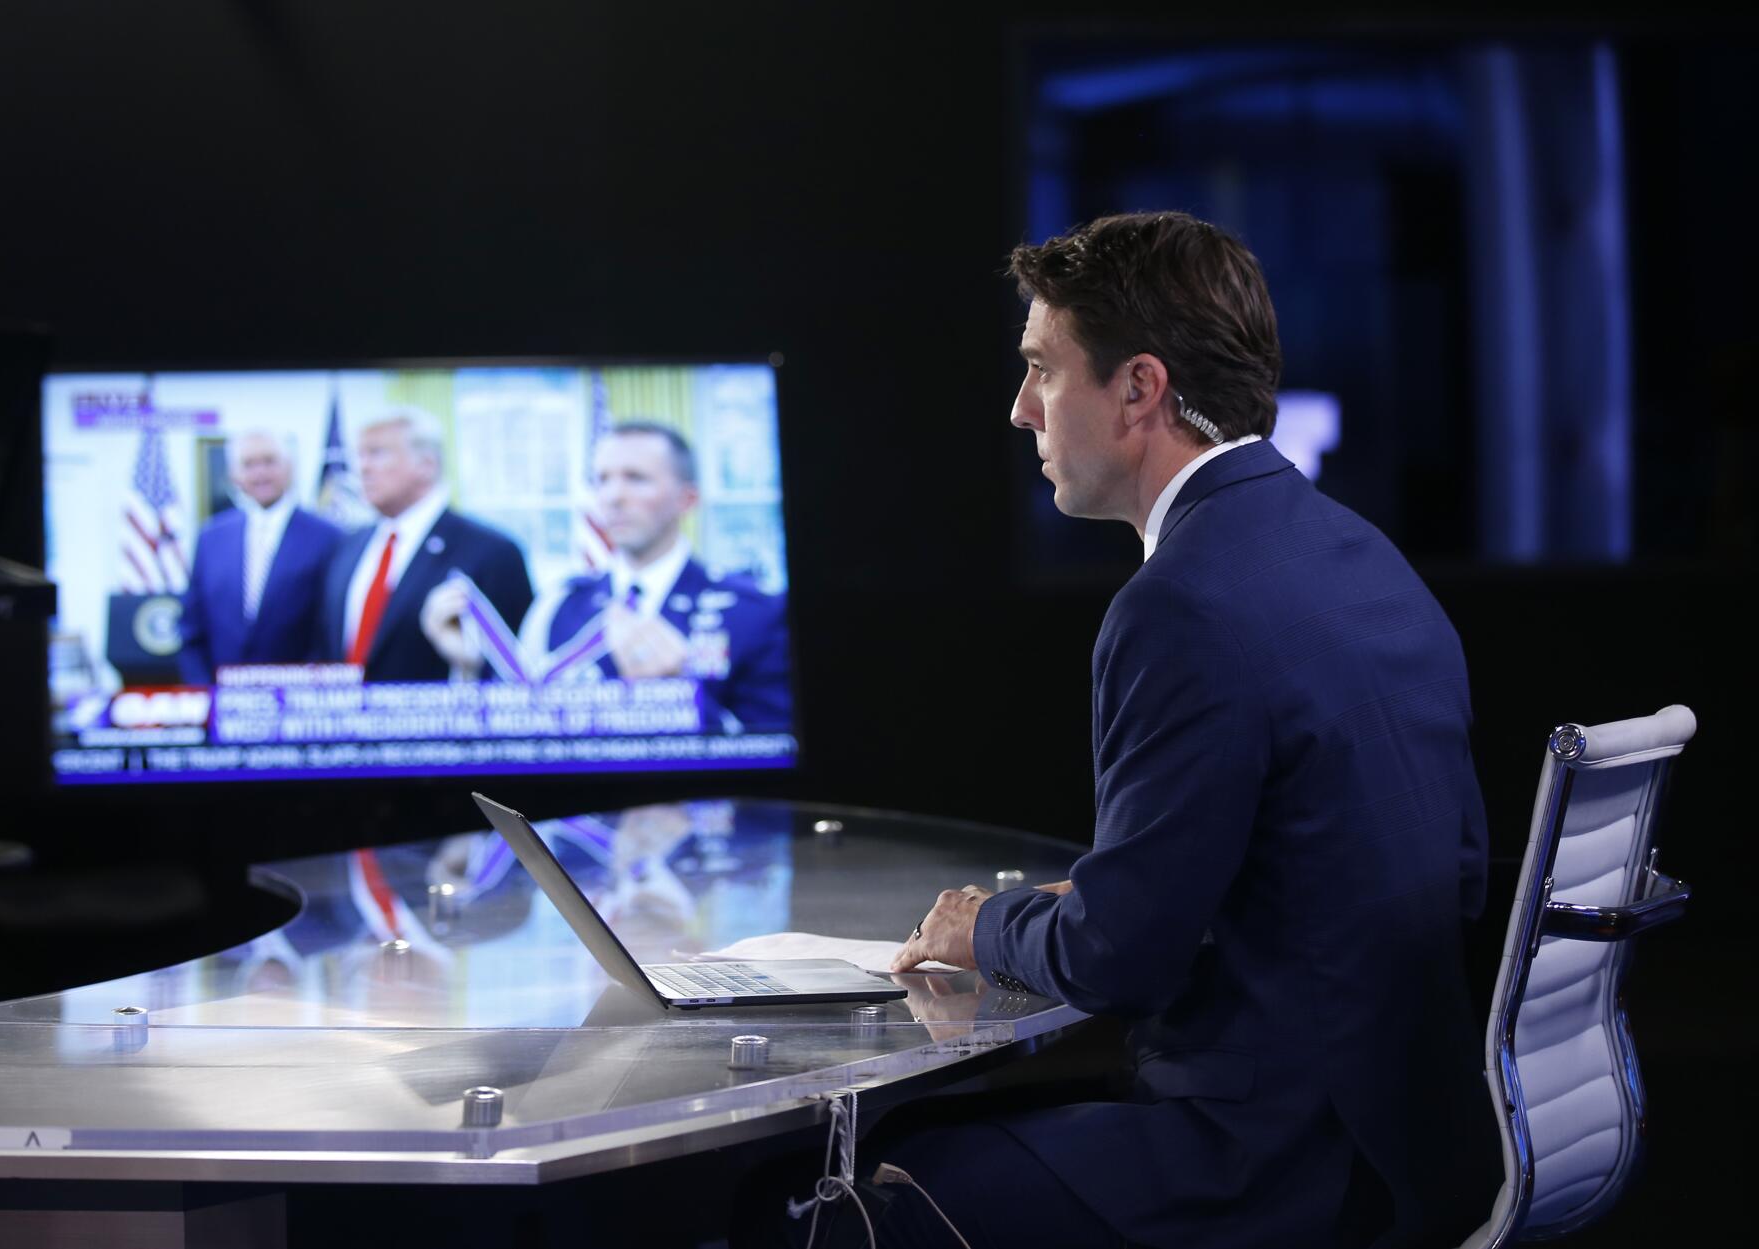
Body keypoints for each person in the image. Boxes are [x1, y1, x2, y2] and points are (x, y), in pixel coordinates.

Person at [746, 213, 1498, 1249]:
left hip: (1268, 1166)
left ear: (1138, 389)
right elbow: (1448, 867)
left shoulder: (1179, 603)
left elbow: (1115, 963)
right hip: (1417, 1141)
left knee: (813, 1204)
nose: (1018, 412)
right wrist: (1138, 898)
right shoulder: (1355, 551)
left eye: (1040, 372)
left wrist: (986, 924)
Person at [519, 421, 791, 733]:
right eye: (601, 480)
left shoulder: (756, 613)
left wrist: (680, 694)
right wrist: (466, 670)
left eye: (636, 479)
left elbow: (776, 751)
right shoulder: (557, 606)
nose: (612, 496)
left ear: (687, 499)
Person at [317, 413, 534, 682]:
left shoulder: (492, 553)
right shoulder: (349, 545)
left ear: (427, 465)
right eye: (360, 455)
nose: (362, 468)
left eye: (377, 454)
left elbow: (514, 673)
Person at [178, 429, 342, 684]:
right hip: (220, 699)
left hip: (298, 699)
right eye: (248, 464)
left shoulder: (329, 537)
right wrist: (202, 690)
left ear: (290, 467)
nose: (260, 473)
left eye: (269, 461)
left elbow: (331, 629)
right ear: (234, 475)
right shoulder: (211, 537)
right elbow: (192, 627)